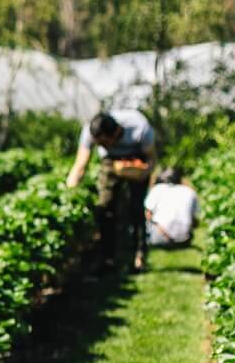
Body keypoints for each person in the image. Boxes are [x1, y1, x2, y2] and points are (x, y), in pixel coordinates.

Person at [64, 107, 156, 271]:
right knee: (105, 206)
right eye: (99, 143)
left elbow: (151, 160)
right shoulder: (90, 131)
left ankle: (139, 254)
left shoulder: (140, 128)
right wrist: (69, 190)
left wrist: (141, 173)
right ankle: (107, 258)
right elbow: (80, 164)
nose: (101, 145)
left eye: (105, 142)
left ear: (116, 133)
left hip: (136, 159)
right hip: (110, 161)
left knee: (136, 207)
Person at [144, 168, 200, 249]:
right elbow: (195, 222)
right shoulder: (190, 191)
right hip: (184, 241)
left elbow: (148, 214)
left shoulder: (158, 188)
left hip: (159, 238)